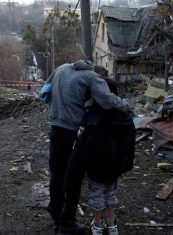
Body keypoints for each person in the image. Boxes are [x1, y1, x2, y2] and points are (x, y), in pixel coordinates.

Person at [44, 59, 132, 235]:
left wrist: (60, 105)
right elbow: (107, 100)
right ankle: (67, 222)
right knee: (73, 176)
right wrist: (127, 106)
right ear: (98, 75)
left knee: (57, 172)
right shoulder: (92, 77)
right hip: (70, 130)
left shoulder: (61, 68)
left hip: (55, 127)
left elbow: (45, 90)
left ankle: (56, 215)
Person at [67, 77, 135, 235]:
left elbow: (84, 144)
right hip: (115, 166)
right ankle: (112, 226)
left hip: (96, 167)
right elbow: (130, 144)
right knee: (111, 193)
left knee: (96, 194)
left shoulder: (92, 117)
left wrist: (81, 165)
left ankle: (97, 226)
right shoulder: (125, 117)